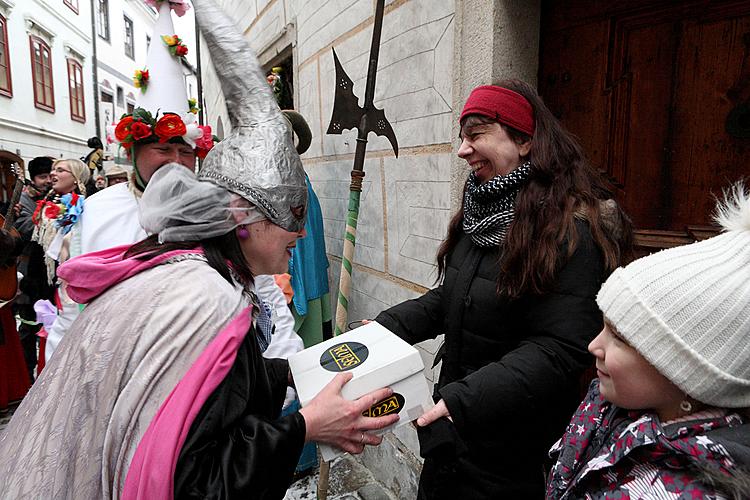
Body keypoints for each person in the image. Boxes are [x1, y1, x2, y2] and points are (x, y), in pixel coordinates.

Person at [0, 1, 399, 497]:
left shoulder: (194, 268)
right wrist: (306, 427)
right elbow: (193, 482)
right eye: (289, 220)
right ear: (246, 221)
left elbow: (223, 389)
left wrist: (302, 370)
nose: (301, 236)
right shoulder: (206, 299)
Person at [373, 80, 633, 498]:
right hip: (455, 436)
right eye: (462, 136)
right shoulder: (481, 211)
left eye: (476, 135)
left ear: (525, 141)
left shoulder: (572, 230)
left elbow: (558, 348)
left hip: (514, 451)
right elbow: (452, 297)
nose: (462, 149)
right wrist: (382, 330)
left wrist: (462, 402)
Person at [547, 184, 750, 499]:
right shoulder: (612, 406)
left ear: (687, 375)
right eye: (605, 328)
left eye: (621, 339)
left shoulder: (681, 491)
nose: (593, 347)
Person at [13, 156, 54, 380]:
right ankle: (27, 375)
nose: (47, 180)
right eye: (42, 177)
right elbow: (23, 227)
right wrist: (48, 215)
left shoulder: (55, 195)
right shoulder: (24, 199)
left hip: (50, 272)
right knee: (29, 325)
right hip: (30, 272)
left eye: (50, 175)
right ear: (33, 179)